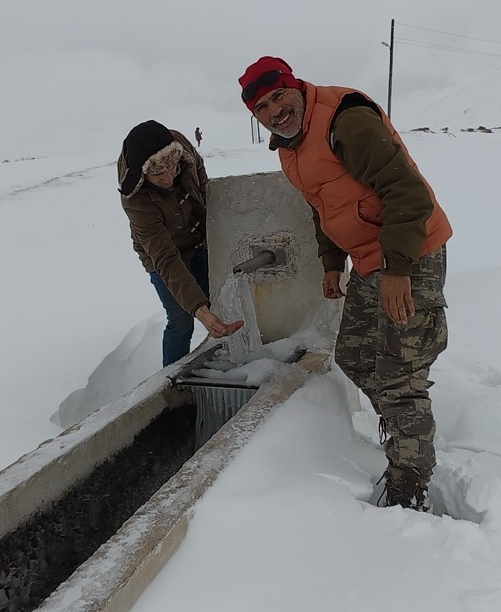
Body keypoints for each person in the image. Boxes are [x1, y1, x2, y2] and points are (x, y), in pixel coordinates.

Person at [237, 56, 452, 511]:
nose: (275, 111)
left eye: (279, 96)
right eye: (262, 108)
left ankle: (409, 484)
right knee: (354, 357)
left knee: (399, 372)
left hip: (411, 252)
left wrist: (397, 272)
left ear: (295, 86)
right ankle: (403, 428)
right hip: (370, 259)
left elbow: (407, 194)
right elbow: (323, 204)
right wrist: (332, 262)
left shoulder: (345, 121)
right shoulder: (289, 148)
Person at [118, 120, 242, 367]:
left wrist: (210, 228)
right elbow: (166, 259)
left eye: (171, 167)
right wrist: (200, 310)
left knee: (218, 302)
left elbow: (201, 179)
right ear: (142, 174)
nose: (167, 178)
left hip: (197, 240)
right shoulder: (136, 201)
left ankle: (230, 362)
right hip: (161, 255)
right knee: (181, 320)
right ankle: (172, 385)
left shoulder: (181, 147)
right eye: (157, 173)